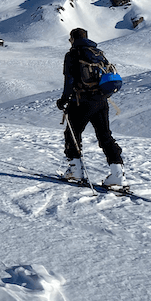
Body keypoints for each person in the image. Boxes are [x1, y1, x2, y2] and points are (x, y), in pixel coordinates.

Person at [56, 27, 127, 188]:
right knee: (105, 136)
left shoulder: (73, 54)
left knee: (72, 134)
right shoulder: (98, 53)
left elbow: (69, 80)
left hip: (81, 102)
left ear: (72, 39)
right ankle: (117, 173)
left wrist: (64, 100)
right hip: (101, 101)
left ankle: (76, 170)